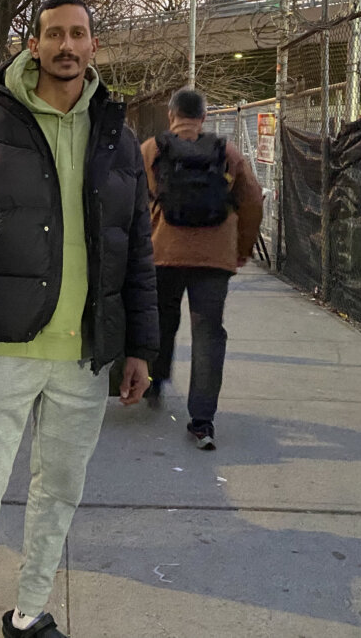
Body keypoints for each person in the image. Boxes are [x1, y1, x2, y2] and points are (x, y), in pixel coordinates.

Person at [0, 0, 158, 638]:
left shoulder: (115, 137)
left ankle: (29, 611)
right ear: (34, 45)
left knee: (59, 494)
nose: (66, 45)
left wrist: (140, 346)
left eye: (78, 34)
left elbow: (135, 250)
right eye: (53, 34)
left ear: (93, 46)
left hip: (83, 356)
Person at [140, 88, 263, 450]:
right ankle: (202, 421)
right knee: (208, 332)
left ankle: (155, 379)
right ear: (205, 117)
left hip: (162, 252)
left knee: (161, 318)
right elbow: (253, 200)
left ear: (170, 114)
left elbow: (133, 199)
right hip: (214, 257)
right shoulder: (228, 153)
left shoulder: (151, 149)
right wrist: (240, 249)